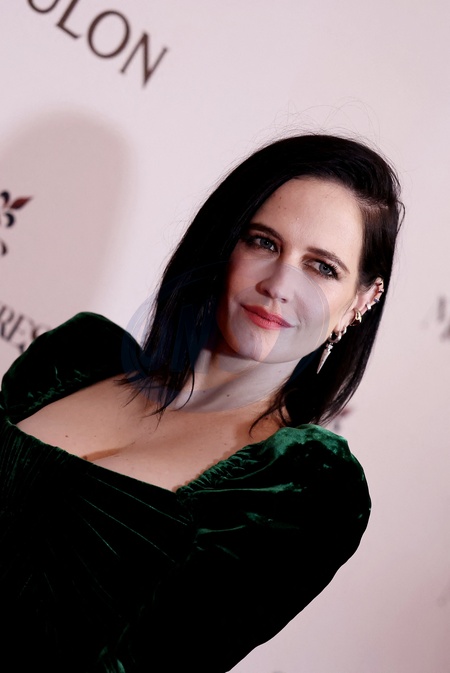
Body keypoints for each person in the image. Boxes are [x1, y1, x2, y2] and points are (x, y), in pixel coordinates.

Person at [0, 134, 403, 672]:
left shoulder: (301, 485)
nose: (279, 284)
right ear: (225, 242)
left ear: (360, 301)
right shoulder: (73, 359)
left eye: (322, 267)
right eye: (264, 242)